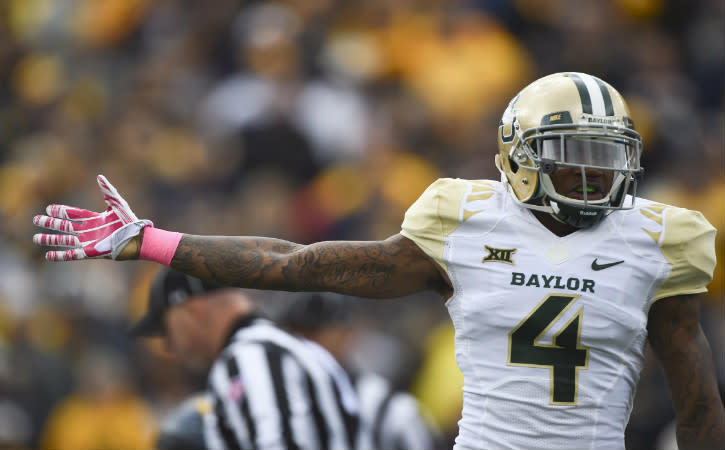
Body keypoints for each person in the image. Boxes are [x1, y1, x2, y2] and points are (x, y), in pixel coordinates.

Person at [33, 72, 724, 449]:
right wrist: (149, 241)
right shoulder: (462, 222)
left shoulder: (658, 238)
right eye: (568, 161)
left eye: (603, 159)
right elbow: (296, 263)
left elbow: (696, 403)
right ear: (518, 160)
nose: (589, 178)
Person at [129, 267, 360, 450]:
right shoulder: (289, 349)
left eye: (166, 327)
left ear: (191, 311)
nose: (169, 344)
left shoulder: (252, 358)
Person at [279, 292, 441, 450]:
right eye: (295, 333)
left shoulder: (386, 407)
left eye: (314, 334)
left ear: (347, 334)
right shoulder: (277, 396)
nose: (301, 344)